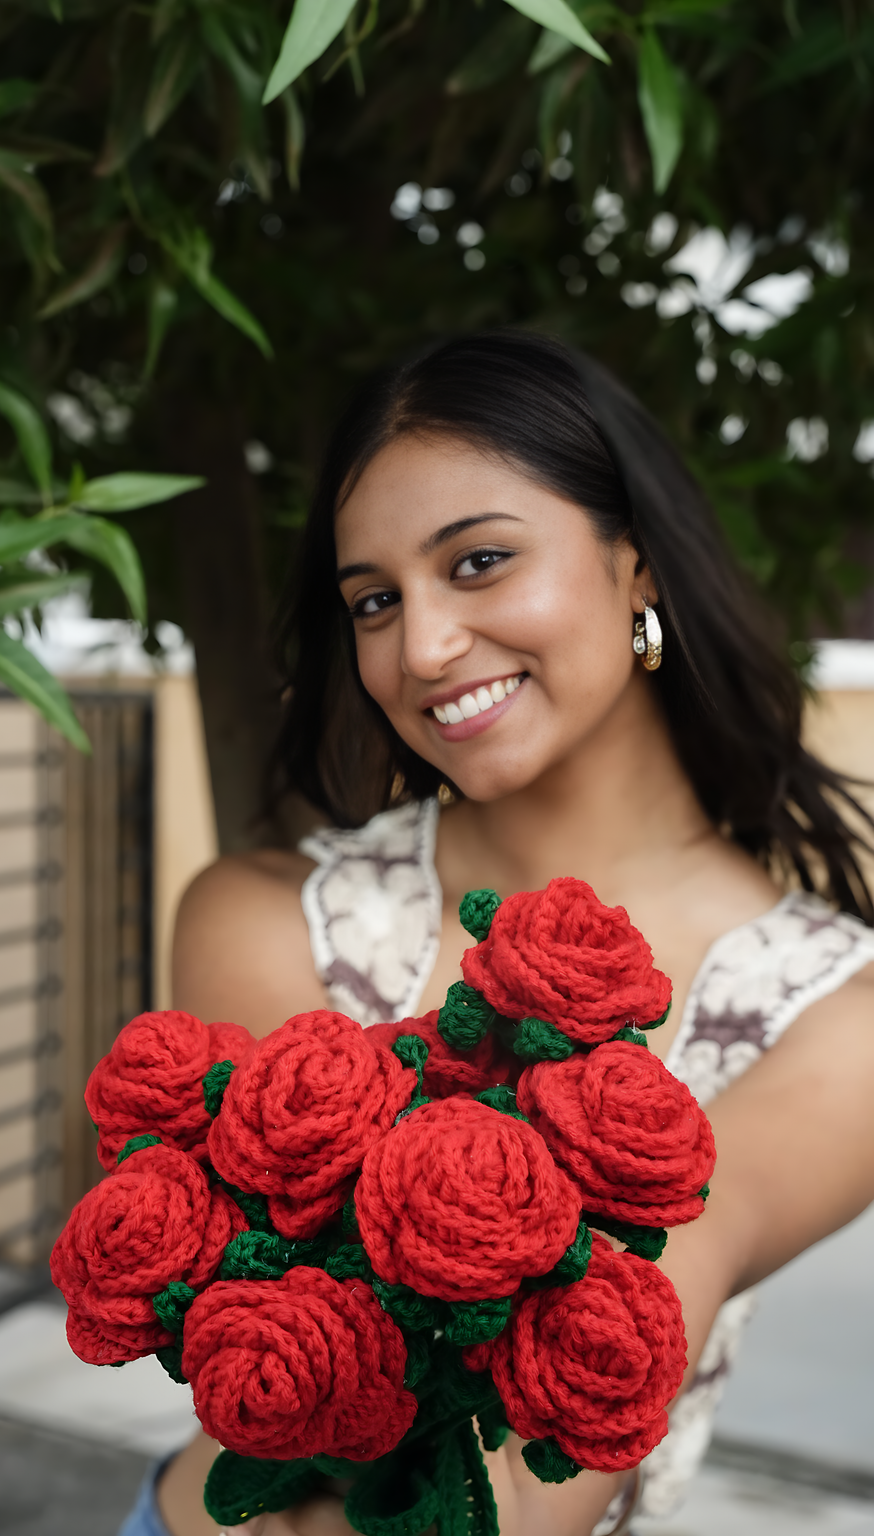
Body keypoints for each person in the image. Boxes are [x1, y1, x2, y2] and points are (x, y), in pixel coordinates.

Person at [121, 332, 874, 1536]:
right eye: (374, 600)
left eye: (476, 561)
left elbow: (529, 1484)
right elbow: (280, 1413)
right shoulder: (264, 920)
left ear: (638, 569)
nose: (420, 647)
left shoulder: (834, 1018)